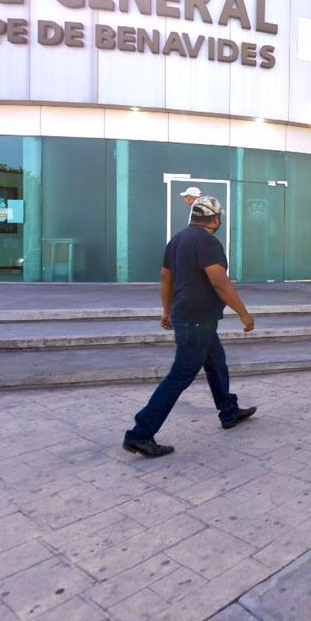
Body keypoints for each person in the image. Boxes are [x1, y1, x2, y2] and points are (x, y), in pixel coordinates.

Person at [123, 195, 257, 458]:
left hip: (193, 317)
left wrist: (167, 310)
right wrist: (243, 313)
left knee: (216, 363)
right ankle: (140, 434)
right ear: (215, 219)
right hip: (197, 319)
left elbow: (166, 277)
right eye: (219, 218)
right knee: (180, 376)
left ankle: (229, 411)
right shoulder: (207, 242)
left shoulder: (177, 240)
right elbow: (219, 281)